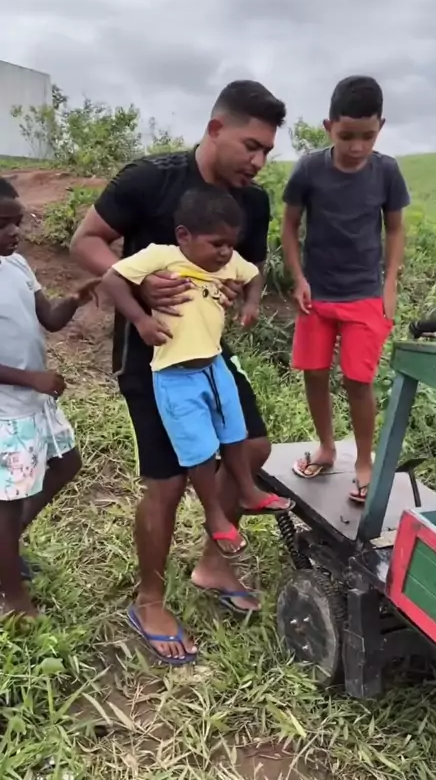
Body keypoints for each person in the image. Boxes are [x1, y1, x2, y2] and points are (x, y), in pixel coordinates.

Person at [70, 80, 289, 664]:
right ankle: (149, 602)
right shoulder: (151, 179)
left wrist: (240, 296)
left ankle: (213, 566)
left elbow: (251, 266)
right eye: (251, 146)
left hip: (210, 351)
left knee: (254, 447)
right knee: (166, 482)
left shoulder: (253, 203)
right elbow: (85, 241)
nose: (258, 161)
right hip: (152, 353)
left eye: (267, 151)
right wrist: (138, 281)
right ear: (216, 129)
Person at [103, 186, 282, 566]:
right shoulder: (161, 256)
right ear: (184, 235)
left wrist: (250, 304)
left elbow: (253, 275)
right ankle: (214, 515)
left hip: (215, 366)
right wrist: (141, 320)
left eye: (230, 244)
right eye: (217, 243)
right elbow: (113, 280)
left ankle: (248, 490)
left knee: (235, 434)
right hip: (175, 378)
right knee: (199, 451)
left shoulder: (229, 262)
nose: (225, 252)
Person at [282, 76, 410, 504]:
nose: (357, 147)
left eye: (367, 136)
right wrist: (298, 278)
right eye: (347, 136)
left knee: (359, 380)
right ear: (328, 127)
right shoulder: (309, 169)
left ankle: (364, 463)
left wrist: (389, 284)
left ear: (381, 127)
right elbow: (290, 225)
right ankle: (326, 448)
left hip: (365, 295)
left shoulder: (386, 171)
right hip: (316, 296)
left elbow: (395, 229)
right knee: (315, 373)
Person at [0, 176, 97, 616]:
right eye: (2, 224)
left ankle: (5, 549)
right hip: (8, 410)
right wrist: (31, 379)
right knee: (6, 506)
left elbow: (49, 318)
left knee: (67, 463)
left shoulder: (17, 265)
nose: (14, 233)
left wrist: (74, 298)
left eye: (17, 223)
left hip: (34, 402)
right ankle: (15, 599)